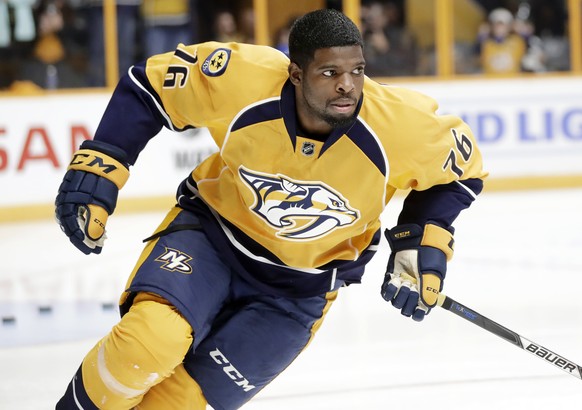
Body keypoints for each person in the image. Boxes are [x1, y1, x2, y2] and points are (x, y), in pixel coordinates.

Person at [54, 8, 487, 409]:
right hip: (212, 239)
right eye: (330, 72)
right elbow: (150, 87)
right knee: (147, 344)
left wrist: (421, 237)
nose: (347, 86)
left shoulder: (401, 125)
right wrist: (104, 162)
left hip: (300, 291)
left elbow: (463, 172)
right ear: (295, 73)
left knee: (176, 402)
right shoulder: (243, 78)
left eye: (357, 71)